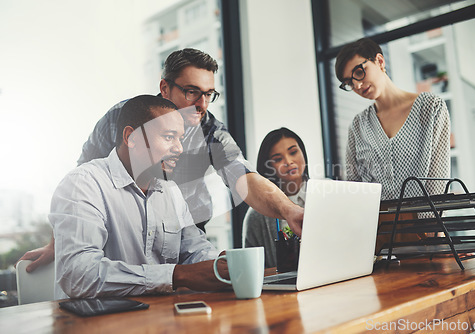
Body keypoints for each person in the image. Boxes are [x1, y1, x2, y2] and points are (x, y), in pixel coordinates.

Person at [18, 48, 304, 273]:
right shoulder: (124, 118)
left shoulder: (211, 131)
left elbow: (245, 179)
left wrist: (289, 210)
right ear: (165, 88)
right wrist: (64, 240)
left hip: (181, 238)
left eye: (208, 94)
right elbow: (82, 185)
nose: (201, 104)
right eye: (191, 91)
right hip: (121, 240)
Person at [51, 95, 229, 298]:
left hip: (156, 319)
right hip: (92, 323)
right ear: (131, 137)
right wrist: (176, 275)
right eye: (169, 137)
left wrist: (222, 263)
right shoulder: (83, 184)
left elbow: (194, 250)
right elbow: (78, 276)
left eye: (181, 138)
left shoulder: (171, 191)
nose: (179, 148)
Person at [335, 38, 450, 200]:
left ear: (380, 61)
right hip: (378, 224)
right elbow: (355, 188)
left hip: (426, 223)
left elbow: (438, 182)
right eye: (349, 83)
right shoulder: (358, 125)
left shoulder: (430, 107)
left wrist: (427, 224)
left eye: (359, 72)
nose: (357, 86)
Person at [242, 128, 308, 268]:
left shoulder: (325, 194)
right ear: (269, 166)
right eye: (278, 159)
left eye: (293, 152)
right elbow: (253, 268)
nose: (288, 161)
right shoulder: (256, 215)